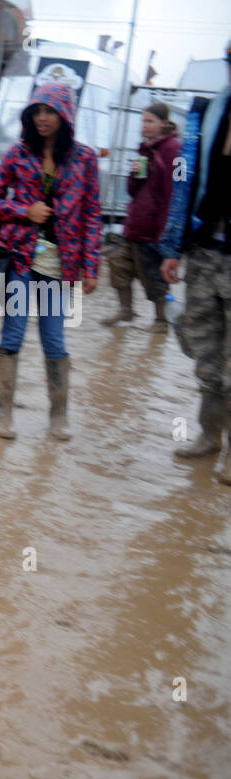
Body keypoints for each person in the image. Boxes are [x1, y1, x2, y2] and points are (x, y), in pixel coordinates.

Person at [0, 82, 101, 442]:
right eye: (37, 111)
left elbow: (92, 214)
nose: (43, 118)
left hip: (60, 267)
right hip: (19, 260)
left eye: (50, 111)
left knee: (55, 341)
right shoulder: (17, 154)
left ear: (66, 115)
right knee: (12, 334)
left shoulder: (85, 159)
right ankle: (2, 413)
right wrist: (24, 211)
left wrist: (91, 267)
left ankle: (58, 417)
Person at [159, 40, 231, 483]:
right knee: (204, 351)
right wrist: (172, 247)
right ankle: (210, 437)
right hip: (205, 251)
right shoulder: (206, 114)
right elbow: (184, 180)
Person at [104, 102, 180, 331]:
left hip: (154, 229)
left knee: (153, 276)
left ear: (163, 124)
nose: (144, 126)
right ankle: (126, 310)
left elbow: (174, 193)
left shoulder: (173, 149)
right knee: (117, 262)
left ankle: (161, 321)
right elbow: (133, 190)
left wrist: (166, 233)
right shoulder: (145, 149)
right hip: (135, 225)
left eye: (150, 121)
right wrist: (135, 175)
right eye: (143, 120)